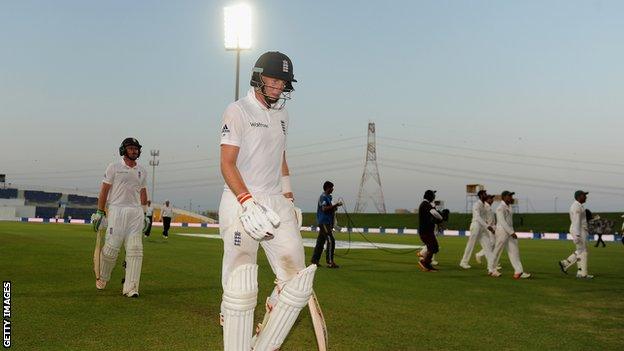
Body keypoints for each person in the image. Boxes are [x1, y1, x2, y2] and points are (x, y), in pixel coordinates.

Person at [218, 51, 317, 351]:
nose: (277, 88)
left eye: (283, 83)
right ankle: (233, 325)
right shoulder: (237, 110)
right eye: (273, 81)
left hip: (275, 201)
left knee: (296, 281)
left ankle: (265, 340)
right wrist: (247, 202)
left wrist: (288, 196)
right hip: (241, 200)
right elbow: (227, 164)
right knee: (241, 280)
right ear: (258, 76)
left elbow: (280, 157)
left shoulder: (283, 115)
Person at [91, 137, 149, 297]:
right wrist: (100, 211)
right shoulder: (114, 167)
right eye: (131, 148)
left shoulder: (142, 170)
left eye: (136, 148)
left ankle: (131, 288)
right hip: (117, 210)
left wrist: (145, 213)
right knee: (111, 249)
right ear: (123, 150)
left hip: (135, 212)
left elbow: (143, 192)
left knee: (136, 250)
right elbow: (104, 190)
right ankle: (102, 277)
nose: (134, 151)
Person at [489, 191, 531, 279]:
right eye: (510, 196)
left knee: (514, 251)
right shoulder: (500, 208)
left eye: (512, 196)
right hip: (502, 231)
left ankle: (518, 271)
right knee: (497, 251)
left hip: (509, 231)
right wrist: (511, 232)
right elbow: (502, 222)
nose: (512, 198)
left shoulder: (509, 206)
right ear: (504, 197)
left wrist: (511, 232)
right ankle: (492, 269)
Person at [559, 190, 593, 278]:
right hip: (579, 230)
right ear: (579, 196)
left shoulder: (579, 206)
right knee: (583, 252)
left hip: (579, 229)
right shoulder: (576, 206)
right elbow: (576, 221)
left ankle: (568, 264)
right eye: (584, 195)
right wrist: (577, 234)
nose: (586, 197)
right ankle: (583, 274)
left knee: (580, 251)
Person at [460, 190, 495, 270]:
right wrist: (488, 226)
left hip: (483, 228)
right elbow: (477, 217)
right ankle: (464, 262)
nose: (486, 195)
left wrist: (489, 227)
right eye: (485, 194)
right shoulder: (476, 204)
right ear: (481, 195)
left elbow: (486, 218)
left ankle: (491, 267)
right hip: (476, 226)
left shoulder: (484, 205)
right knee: (471, 245)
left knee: (488, 246)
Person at [311, 181, 343, 268]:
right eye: (332, 187)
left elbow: (330, 209)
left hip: (328, 222)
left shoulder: (329, 197)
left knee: (320, 242)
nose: (333, 189)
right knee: (330, 240)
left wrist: (335, 207)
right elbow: (324, 209)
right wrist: (335, 205)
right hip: (324, 222)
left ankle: (314, 261)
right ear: (328, 188)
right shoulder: (323, 197)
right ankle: (330, 262)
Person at [417, 190, 444, 272]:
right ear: (429, 196)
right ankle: (425, 263)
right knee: (433, 248)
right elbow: (434, 213)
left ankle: (425, 261)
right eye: (433, 196)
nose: (434, 197)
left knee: (434, 248)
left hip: (427, 231)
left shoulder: (425, 204)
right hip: (426, 231)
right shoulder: (425, 204)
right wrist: (441, 218)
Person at [475, 194, 497, 267]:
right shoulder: (485, 206)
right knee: (492, 244)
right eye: (490, 198)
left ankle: (490, 260)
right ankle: (491, 261)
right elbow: (483, 217)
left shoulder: (489, 206)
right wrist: (488, 226)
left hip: (492, 226)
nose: (492, 200)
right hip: (489, 228)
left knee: (493, 244)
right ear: (487, 199)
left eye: (492, 198)